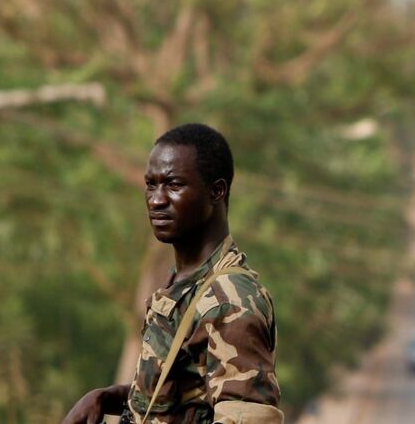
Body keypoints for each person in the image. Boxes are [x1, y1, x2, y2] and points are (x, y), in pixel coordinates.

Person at [61, 123, 282, 424]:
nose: (156, 200)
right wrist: (104, 397)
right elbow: (173, 396)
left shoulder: (230, 299)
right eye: (151, 184)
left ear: (217, 191)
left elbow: (247, 417)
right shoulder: (185, 282)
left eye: (174, 184)